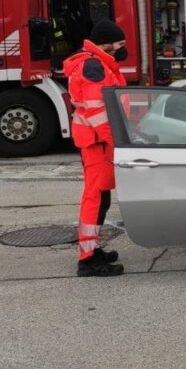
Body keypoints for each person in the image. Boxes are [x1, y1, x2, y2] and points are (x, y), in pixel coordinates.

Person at [63, 20, 128, 277]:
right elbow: (97, 111)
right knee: (96, 199)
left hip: (96, 141)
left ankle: (93, 249)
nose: (122, 49)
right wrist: (118, 141)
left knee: (100, 198)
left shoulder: (98, 63)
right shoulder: (94, 66)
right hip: (98, 142)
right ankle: (88, 259)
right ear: (106, 44)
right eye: (120, 44)